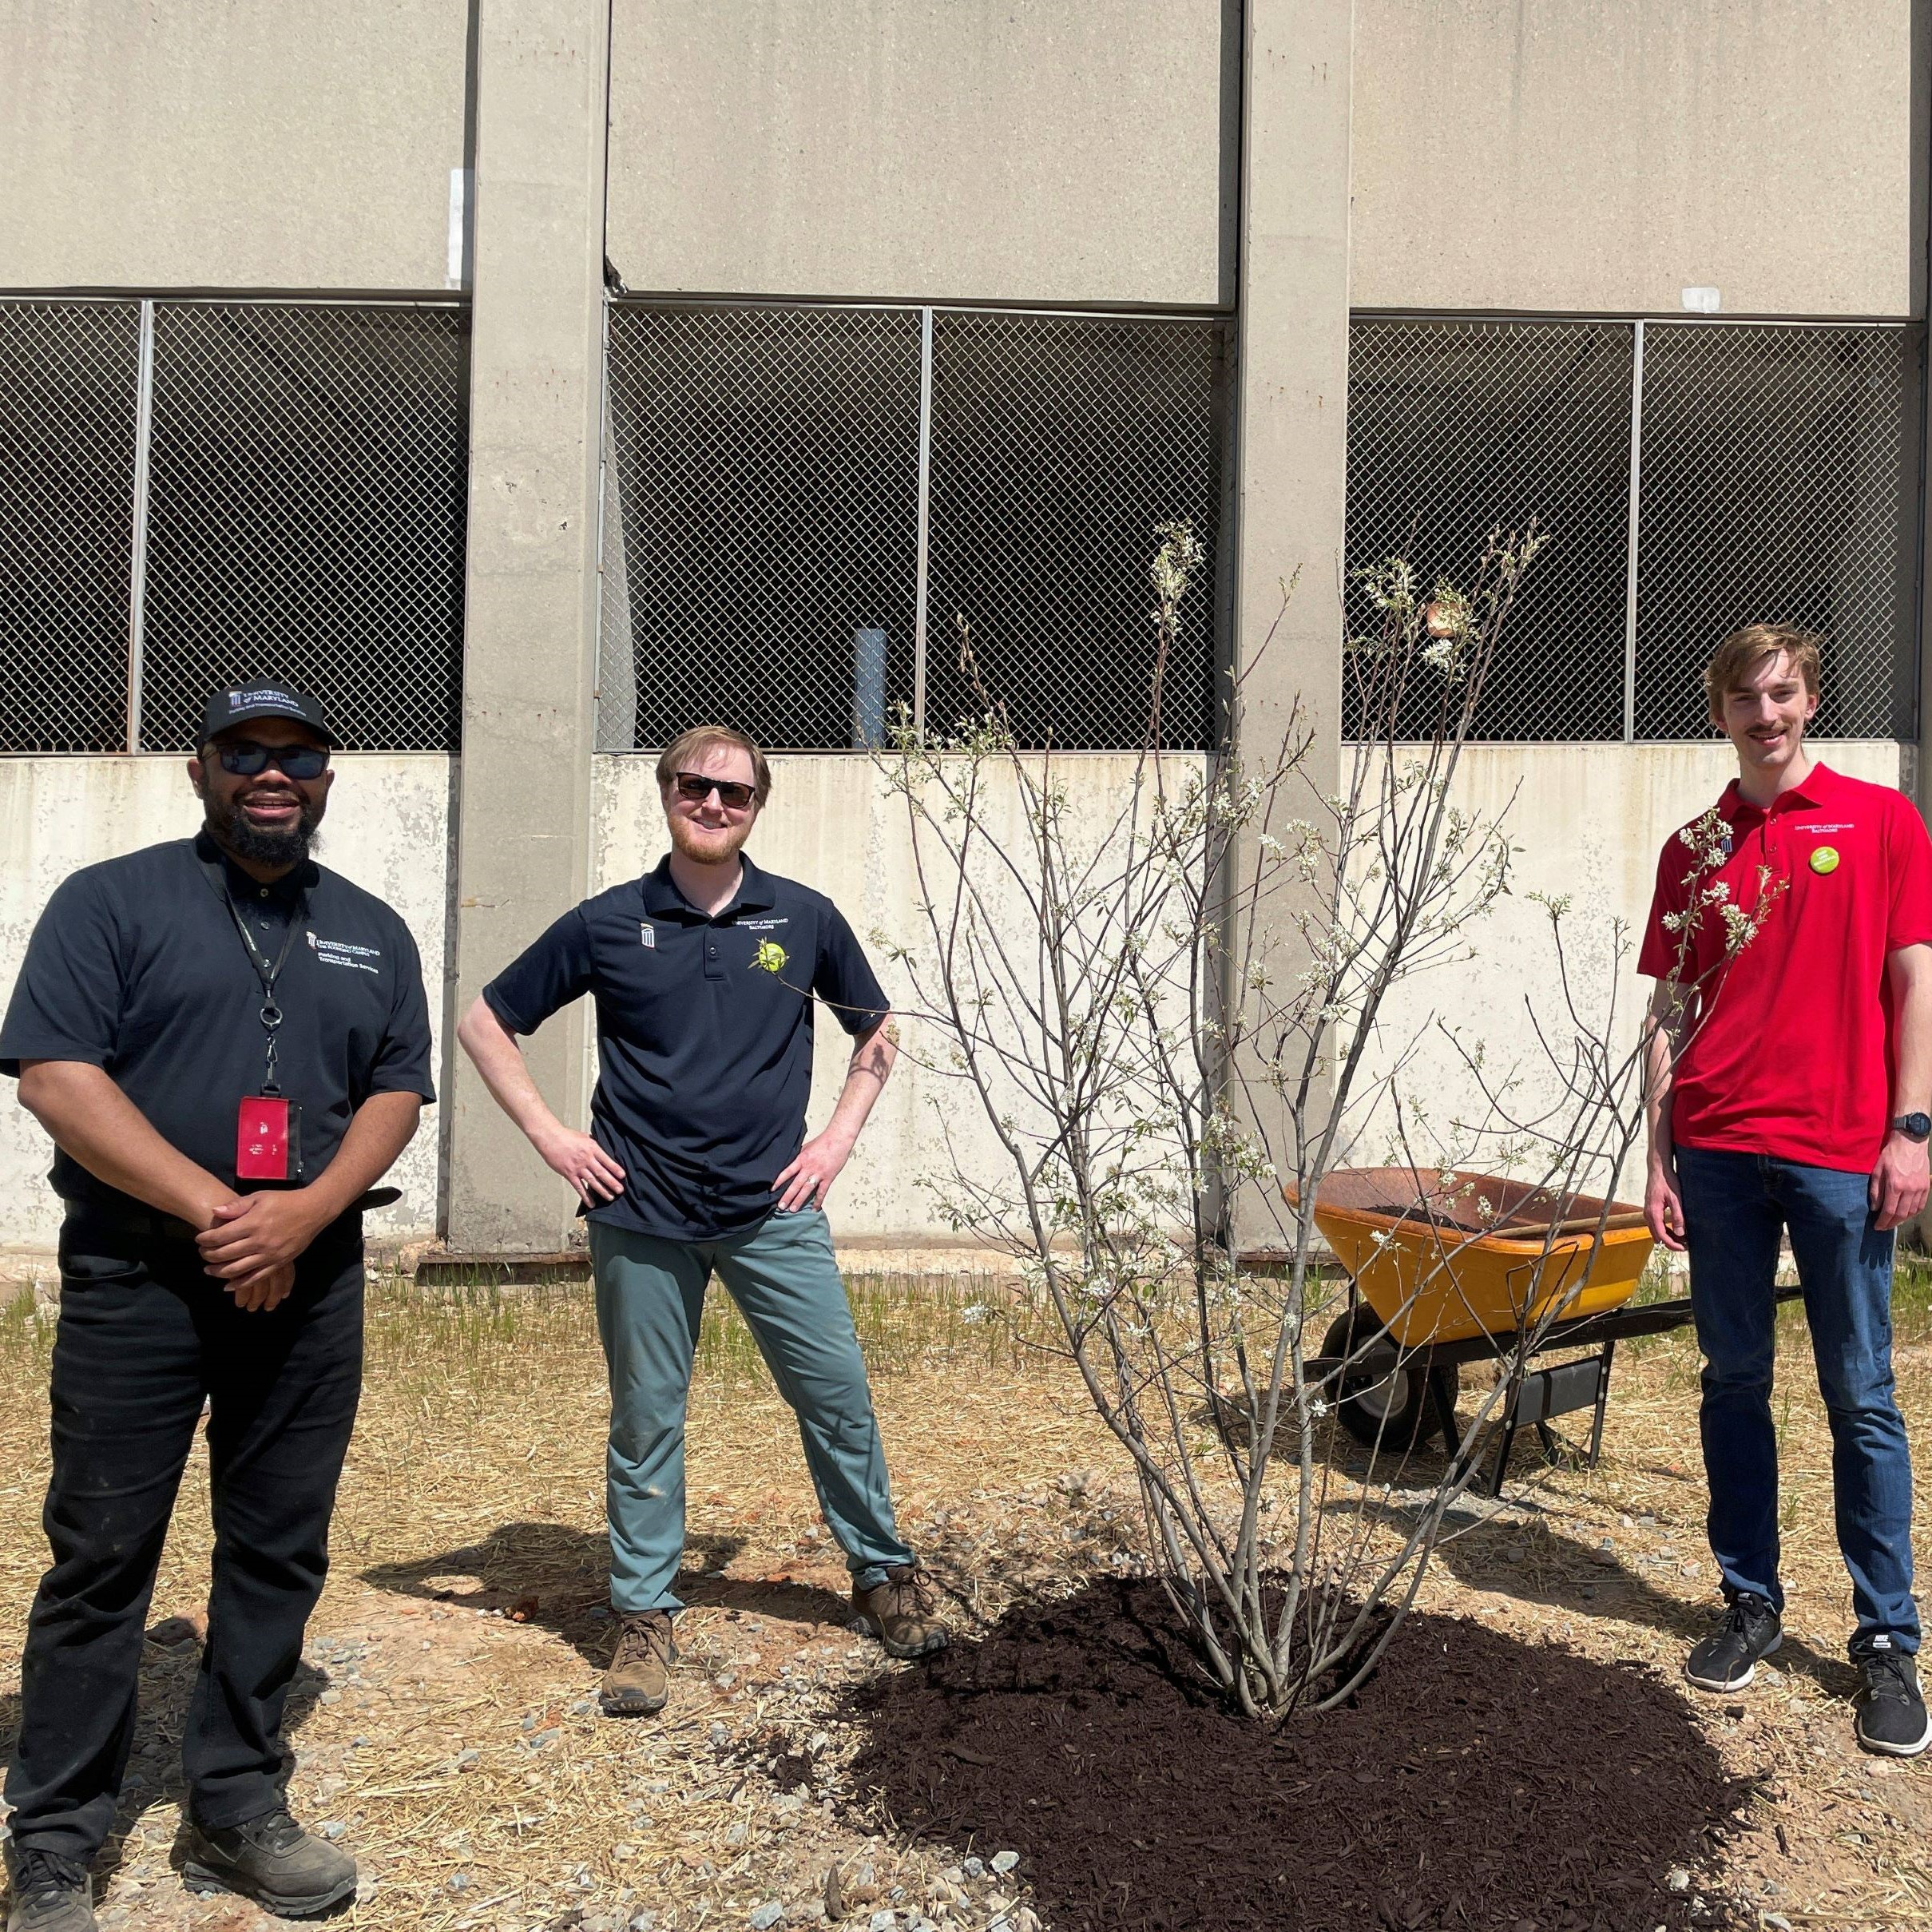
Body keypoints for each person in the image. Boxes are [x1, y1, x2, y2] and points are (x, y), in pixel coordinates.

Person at [0, 684, 435, 1930]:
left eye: (297, 755)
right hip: (139, 1278)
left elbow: (395, 1090)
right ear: (202, 769)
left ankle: (236, 1803)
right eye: (245, 752)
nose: (272, 773)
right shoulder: (112, 900)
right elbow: (56, 1075)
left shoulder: (370, 926)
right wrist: (218, 1209)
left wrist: (303, 1213)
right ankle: (56, 1837)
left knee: (278, 1543)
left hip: (310, 1279)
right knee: (101, 1555)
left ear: (326, 778)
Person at [456, 723, 946, 1718]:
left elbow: (878, 1029)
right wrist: (553, 1138)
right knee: (647, 1420)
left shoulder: (802, 918)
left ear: (757, 806)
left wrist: (835, 1143)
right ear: (666, 792)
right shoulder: (607, 921)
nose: (713, 804)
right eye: (695, 786)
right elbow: (483, 1021)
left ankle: (882, 1571)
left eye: (734, 792)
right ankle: (642, 1615)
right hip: (641, 1214)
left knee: (837, 1397)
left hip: (772, 1211)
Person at [1640, 624, 1931, 1756]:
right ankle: (1749, 1603)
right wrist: (1657, 1153)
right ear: (1715, 710)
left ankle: (1885, 1643)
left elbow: (1911, 983)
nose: (1764, 713)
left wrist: (1909, 1129)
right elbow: (1667, 1006)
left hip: (1835, 1151)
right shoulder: (1695, 845)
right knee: (1731, 1380)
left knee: (1858, 1394)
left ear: (1808, 700)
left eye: (1781, 692)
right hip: (1714, 1149)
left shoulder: (1878, 821)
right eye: (1742, 697)